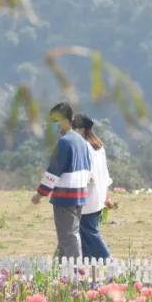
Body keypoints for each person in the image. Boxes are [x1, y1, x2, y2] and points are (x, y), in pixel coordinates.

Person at [31, 102, 91, 259]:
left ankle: (77, 273)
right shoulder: (82, 142)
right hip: (80, 196)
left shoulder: (64, 142)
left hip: (65, 198)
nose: (54, 126)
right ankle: (58, 272)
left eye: (55, 121)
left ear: (65, 120)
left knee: (69, 237)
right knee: (67, 237)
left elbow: (53, 172)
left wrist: (39, 194)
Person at [72, 113, 115, 260]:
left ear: (81, 130)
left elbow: (86, 175)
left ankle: (108, 260)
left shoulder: (83, 147)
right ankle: (87, 266)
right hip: (97, 197)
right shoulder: (98, 147)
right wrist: (107, 196)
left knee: (90, 233)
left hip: (86, 198)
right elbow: (105, 174)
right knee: (86, 234)